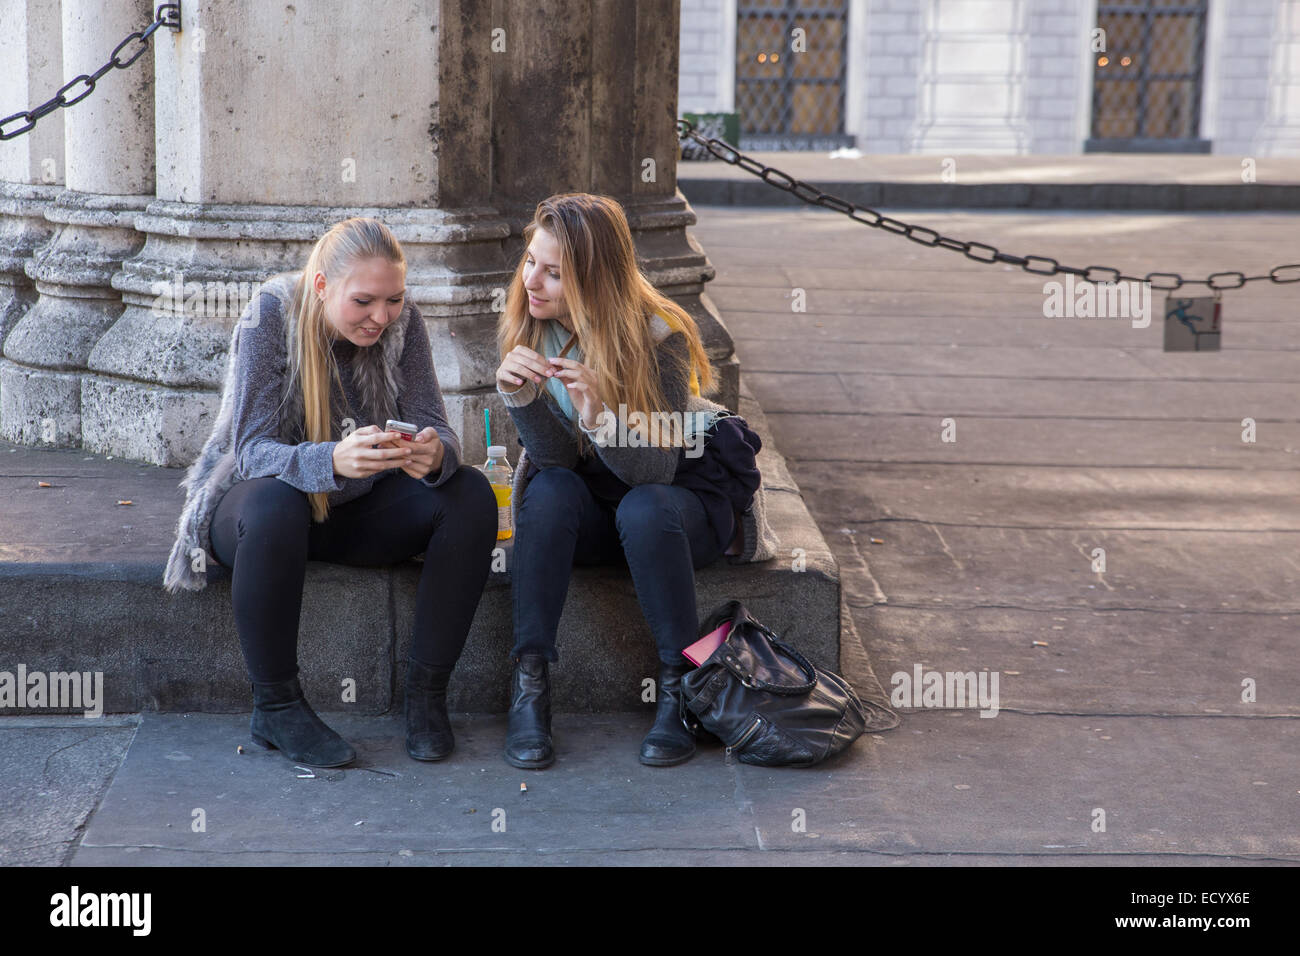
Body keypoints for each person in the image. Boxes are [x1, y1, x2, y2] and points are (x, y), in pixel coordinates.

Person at [163, 217, 498, 768]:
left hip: (356, 512)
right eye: (364, 301)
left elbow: (435, 423)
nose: (381, 317)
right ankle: (276, 705)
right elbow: (250, 452)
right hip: (257, 518)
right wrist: (330, 459)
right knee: (276, 501)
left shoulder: (402, 323)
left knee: (468, 493)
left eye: (393, 300)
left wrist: (436, 453)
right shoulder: (270, 314)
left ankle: (426, 699)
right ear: (322, 286)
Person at [494, 193, 777, 770]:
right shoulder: (534, 328)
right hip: (602, 508)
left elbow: (656, 471)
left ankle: (678, 690)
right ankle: (529, 687)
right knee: (548, 491)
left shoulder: (661, 335)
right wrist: (520, 398)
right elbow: (556, 465)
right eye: (530, 262)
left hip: (678, 506)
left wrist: (600, 416)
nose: (532, 282)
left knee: (644, 507)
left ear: (596, 278)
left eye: (554, 272)